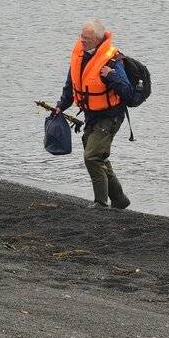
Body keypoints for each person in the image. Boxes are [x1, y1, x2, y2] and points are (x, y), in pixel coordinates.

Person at [52, 19, 135, 209]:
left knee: (92, 157)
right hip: (91, 115)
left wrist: (111, 76)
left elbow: (128, 92)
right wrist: (60, 107)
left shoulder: (113, 60)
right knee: (98, 156)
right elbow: (71, 86)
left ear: (97, 40)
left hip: (111, 116)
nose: (82, 41)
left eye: (87, 38)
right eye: (81, 37)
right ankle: (119, 199)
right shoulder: (79, 57)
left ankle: (100, 203)